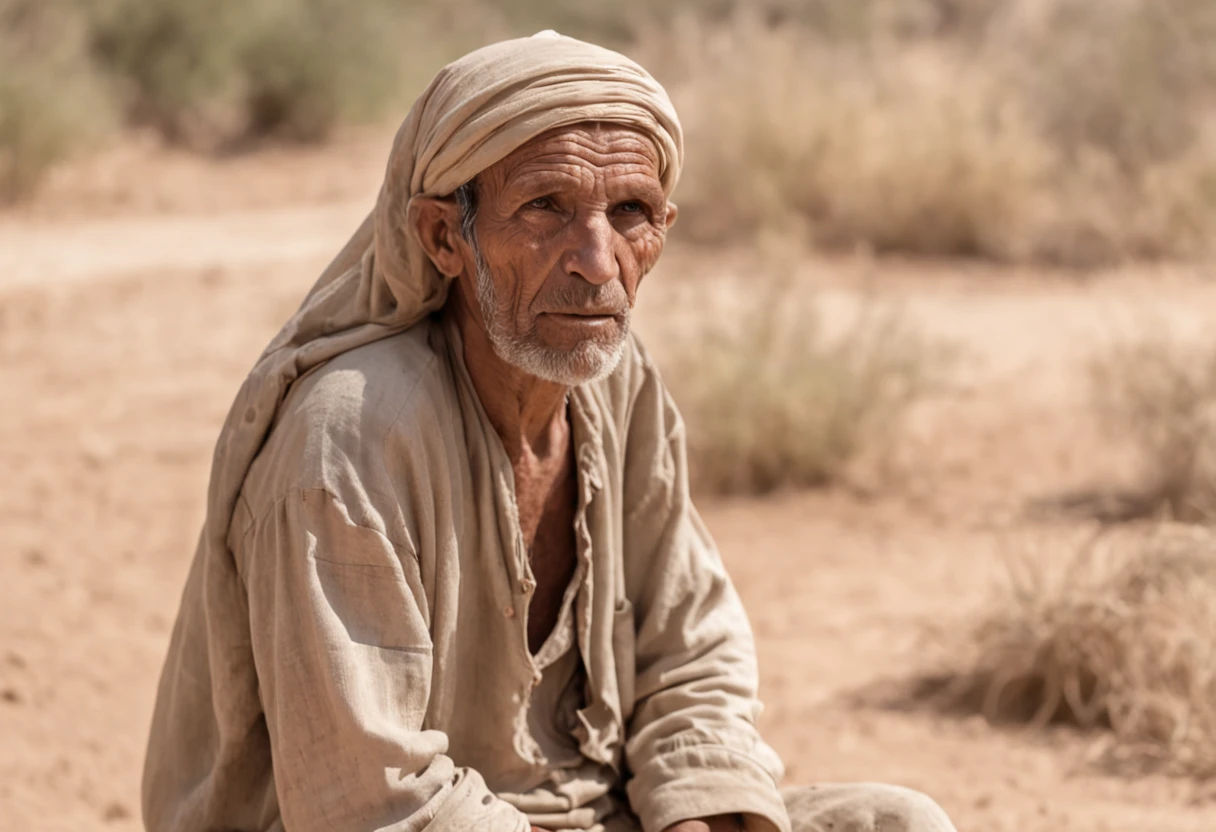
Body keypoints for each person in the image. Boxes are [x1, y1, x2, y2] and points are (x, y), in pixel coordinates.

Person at [142, 32, 958, 832]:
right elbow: (368, 800)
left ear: (663, 230)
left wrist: (695, 811)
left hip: (588, 814)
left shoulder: (618, 384)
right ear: (443, 236)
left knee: (898, 821)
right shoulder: (351, 437)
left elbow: (692, 649)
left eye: (630, 212)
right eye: (545, 209)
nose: (598, 262)